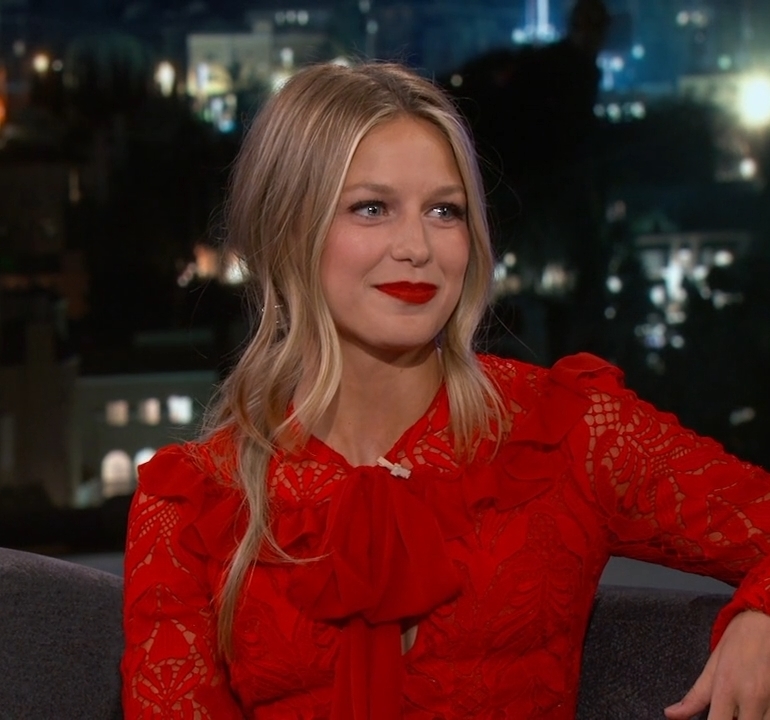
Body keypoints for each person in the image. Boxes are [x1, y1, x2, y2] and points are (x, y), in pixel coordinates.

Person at [121, 60, 770, 719]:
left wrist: (761, 619)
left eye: (444, 211)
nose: (417, 246)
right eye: (371, 208)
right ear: (288, 231)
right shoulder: (193, 504)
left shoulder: (562, 433)